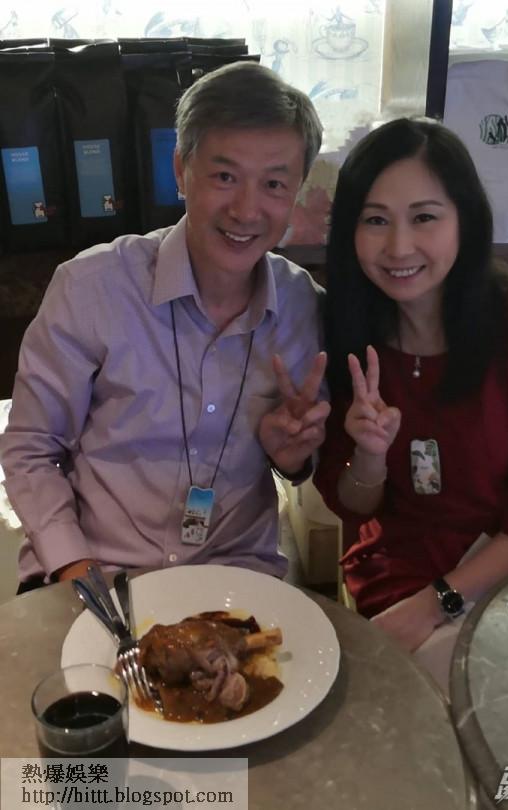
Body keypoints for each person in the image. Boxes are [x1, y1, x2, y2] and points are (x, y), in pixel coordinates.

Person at [0, 62, 330, 590]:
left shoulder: (303, 308)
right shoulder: (91, 288)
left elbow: (306, 457)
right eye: (224, 176)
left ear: (295, 192)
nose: (246, 210)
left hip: (234, 581)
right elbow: (30, 447)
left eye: (273, 184)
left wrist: (292, 459)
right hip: (94, 571)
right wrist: (76, 568)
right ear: (180, 170)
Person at [314, 117, 508, 660]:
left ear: (464, 219)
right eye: (375, 220)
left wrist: (436, 602)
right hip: (407, 565)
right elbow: (351, 501)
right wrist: (369, 455)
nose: (399, 246)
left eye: (424, 217)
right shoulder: (348, 330)